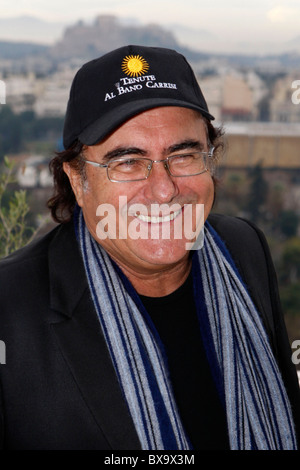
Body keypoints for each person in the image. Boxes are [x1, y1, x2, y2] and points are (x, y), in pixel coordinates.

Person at [0, 45, 299, 451]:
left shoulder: (243, 248)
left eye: (184, 155)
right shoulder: (10, 307)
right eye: (127, 162)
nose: (163, 190)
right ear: (77, 180)